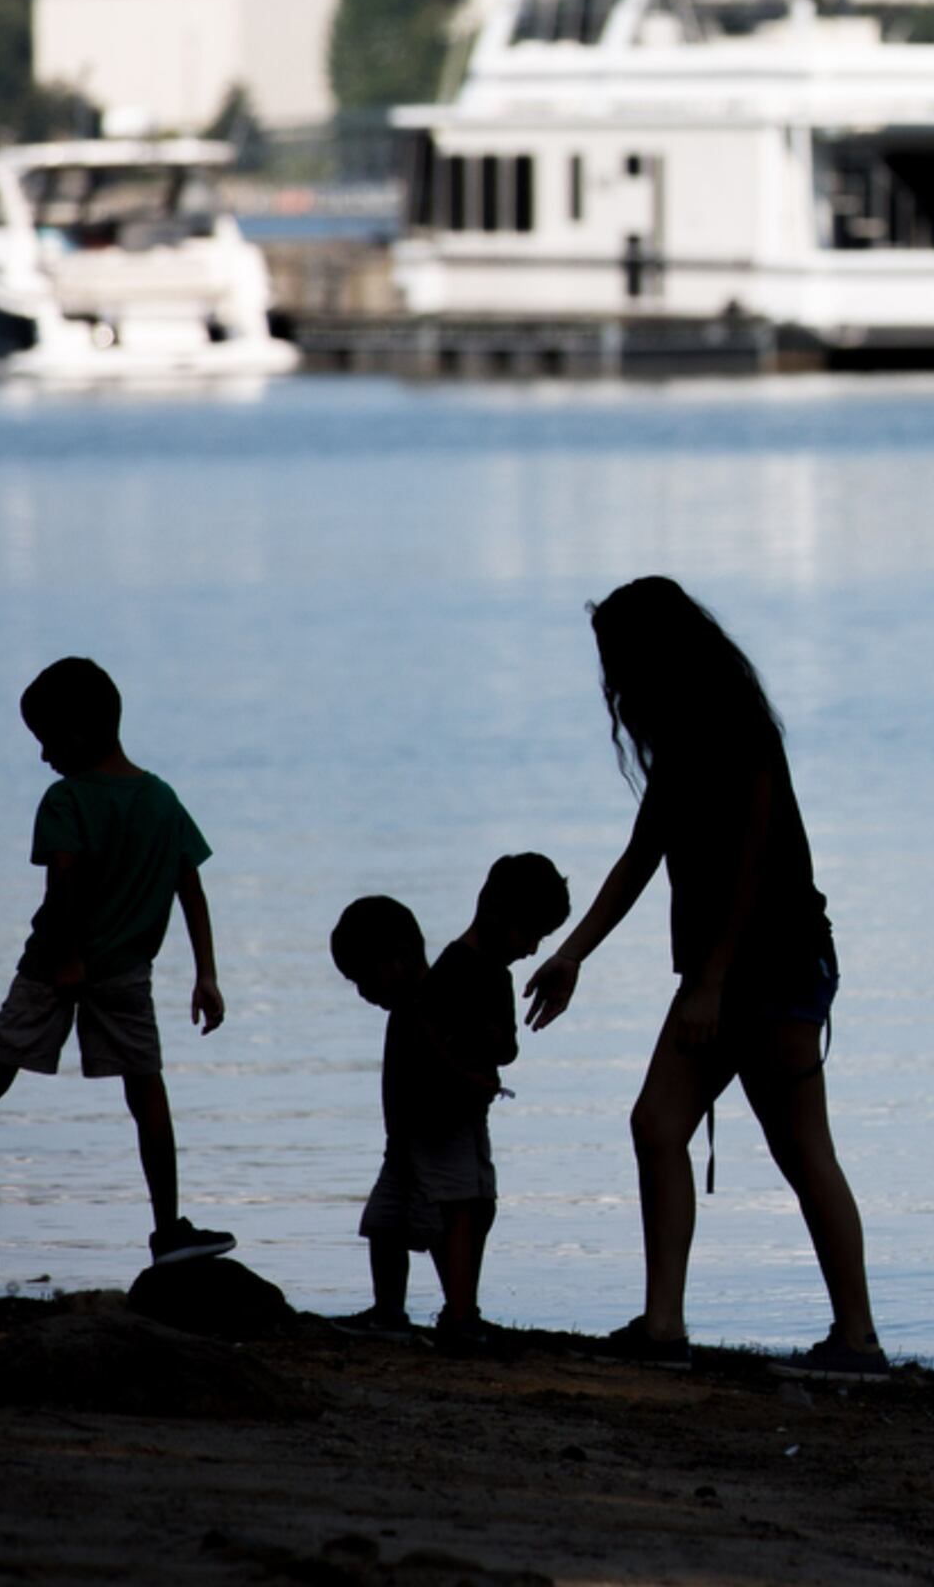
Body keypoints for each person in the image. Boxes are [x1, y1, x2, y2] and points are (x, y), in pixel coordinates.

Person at [523, 577, 882, 1375]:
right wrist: (572, 953)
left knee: (801, 1148)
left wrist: (712, 981)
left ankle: (857, 1339)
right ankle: (663, 1327)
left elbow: (754, 867)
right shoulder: (682, 741)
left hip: (777, 963)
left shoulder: (739, 730)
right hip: (718, 977)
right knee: (657, 1127)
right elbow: (640, 858)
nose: (611, 677)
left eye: (616, 656)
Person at [0, 657, 233, 1271]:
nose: (44, 757)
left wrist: (69, 956)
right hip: (125, 971)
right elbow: (191, 889)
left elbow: (63, 887)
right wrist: (206, 974)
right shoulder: (160, 799)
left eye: (48, 742)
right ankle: (168, 1230)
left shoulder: (66, 799)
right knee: (146, 1091)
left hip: (54, 964)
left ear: (81, 734)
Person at [330, 854, 569, 1344]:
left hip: (449, 1123)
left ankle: (460, 1313)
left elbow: (496, 1047)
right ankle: (393, 1311)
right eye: (531, 935)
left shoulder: (468, 978)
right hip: (417, 1130)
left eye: (363, 979)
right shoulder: (448, 979)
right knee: (388, 1222)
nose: (531, 948)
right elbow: (432, 1048)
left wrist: (476, 1066)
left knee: (459, 1208)